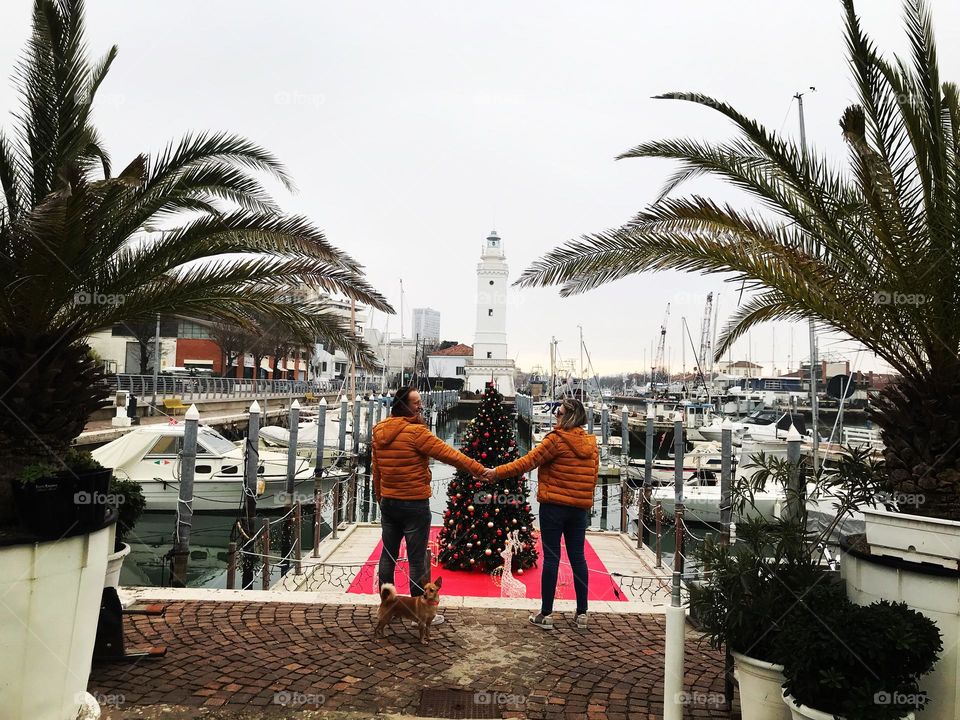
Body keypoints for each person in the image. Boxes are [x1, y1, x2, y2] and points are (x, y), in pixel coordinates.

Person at [372, 386, 485, 624]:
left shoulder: (379, 430)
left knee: (388, 555)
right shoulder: (416, 433)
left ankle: (387, 607)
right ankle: (417, 613)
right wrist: (480, 471)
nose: (420, 406)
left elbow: (377, 470)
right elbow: (450, 455)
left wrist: (379, 495)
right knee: (416, 559)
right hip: (414, 503)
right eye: (416, 403)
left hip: (390, 503)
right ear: (403, 406)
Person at [484, 397, 598, 629]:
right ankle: (582, 613)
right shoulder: (591, 443)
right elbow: (593, 477)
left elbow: (527, 462)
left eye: (560, 413)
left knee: (552, 558)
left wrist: (496, 472)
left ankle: (546, 614)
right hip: (579, 509)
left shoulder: (556, 440)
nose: (556, 415)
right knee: (578, 557)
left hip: (554, 507)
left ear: (569, 416)